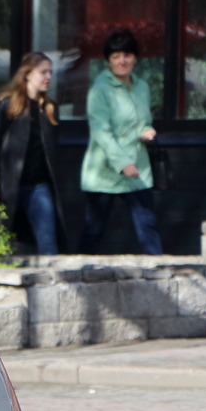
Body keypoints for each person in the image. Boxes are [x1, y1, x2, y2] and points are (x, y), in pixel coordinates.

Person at [78, 28, 161, 254]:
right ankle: (77, 278)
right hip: (105, 170)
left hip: (138, 168)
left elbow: (141, 121)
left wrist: (146, 130)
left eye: (127, 55)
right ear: (108, 61)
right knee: (94, 230)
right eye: (116, 57)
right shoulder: (99, 90)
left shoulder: (142, 87)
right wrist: (122, 163)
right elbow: (101, 131)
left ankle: (160, 277)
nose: (122, 61)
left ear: (135, 58)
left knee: (148, 228)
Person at [0, 52, 66, 255]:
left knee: (48, 242)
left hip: (38, 185)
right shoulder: (7, 105)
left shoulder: (49, 108)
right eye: (43, 72)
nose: (48, 77)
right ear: (27, 74)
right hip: (8, 185)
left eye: (50, 72)